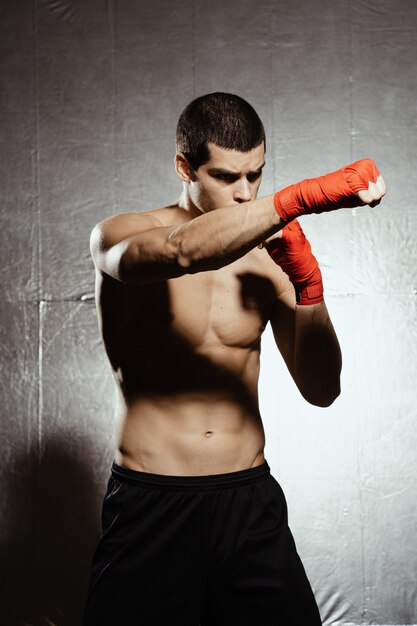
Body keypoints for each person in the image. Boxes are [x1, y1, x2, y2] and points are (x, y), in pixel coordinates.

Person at [83, 92, 386, 625]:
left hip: (248, 501)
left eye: (257, 175)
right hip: (152, 503)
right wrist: (301, 198)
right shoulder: (120, 234)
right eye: (226, 177)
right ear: (185, 166)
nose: (246, 194)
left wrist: (309, 287)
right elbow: (181, 251)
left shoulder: (272, 256)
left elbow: (322, 390)